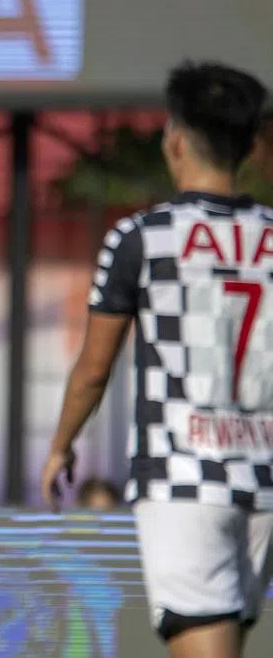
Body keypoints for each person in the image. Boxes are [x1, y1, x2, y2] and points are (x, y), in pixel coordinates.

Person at [40, 61, 272, 658]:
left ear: (175, 139)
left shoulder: (143, 237)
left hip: (183, 474)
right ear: (251, 145)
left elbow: (95, 368)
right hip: (263, 476)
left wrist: (62, 444)